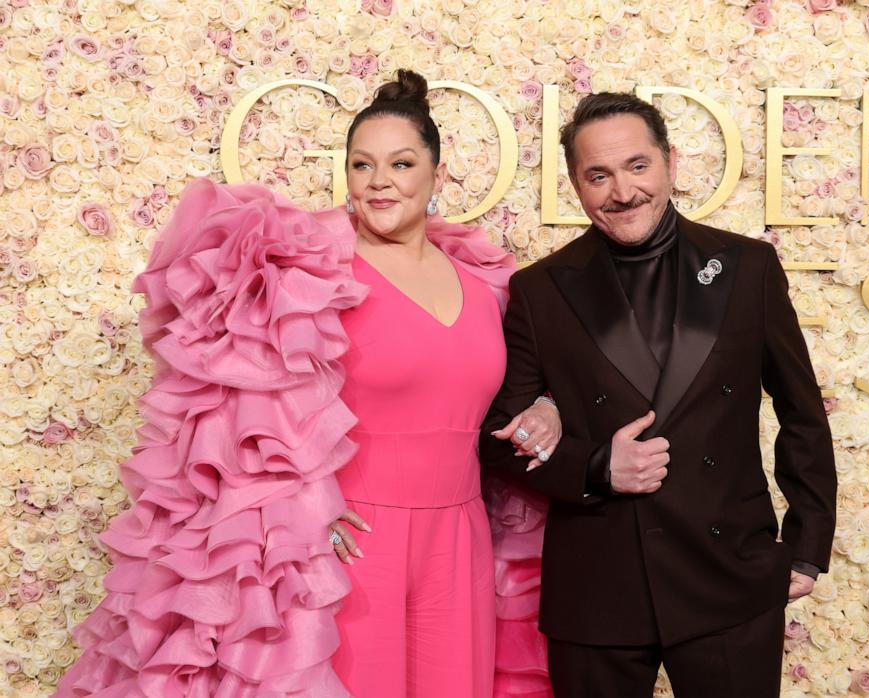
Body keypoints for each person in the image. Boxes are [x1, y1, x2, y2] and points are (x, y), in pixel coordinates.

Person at [55, 70, 557, 698]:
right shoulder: (314, 279)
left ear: (436, 174)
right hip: (348, 545)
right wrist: (298, 513)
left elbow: (520, 395)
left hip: (461, 540)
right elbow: (236, 412)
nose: (380, 181)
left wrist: (547, 406)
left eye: (401, 163)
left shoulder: (490, 287)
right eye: (361, 165)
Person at [479, 91, 837, 697]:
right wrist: (596, 467)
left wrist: (805, 546)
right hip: (598, 588)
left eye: (637, 166)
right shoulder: (540, 291)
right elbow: (499, 438)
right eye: (599, 175)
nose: (622, 192)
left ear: (670, 161)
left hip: (728, 576)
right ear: (576, 184)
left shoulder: (748, 267)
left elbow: (801, 412)